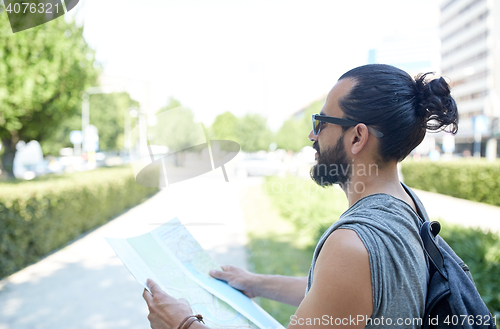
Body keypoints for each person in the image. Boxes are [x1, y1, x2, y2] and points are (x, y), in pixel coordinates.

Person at [142, 64, 459, 328]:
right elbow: (340, 295)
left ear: (358, 137)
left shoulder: (352, 244)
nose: (312, 136)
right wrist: (256, 282)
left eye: (320, 123)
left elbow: (347, 281)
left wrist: (182, 323)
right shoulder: (406, 204)